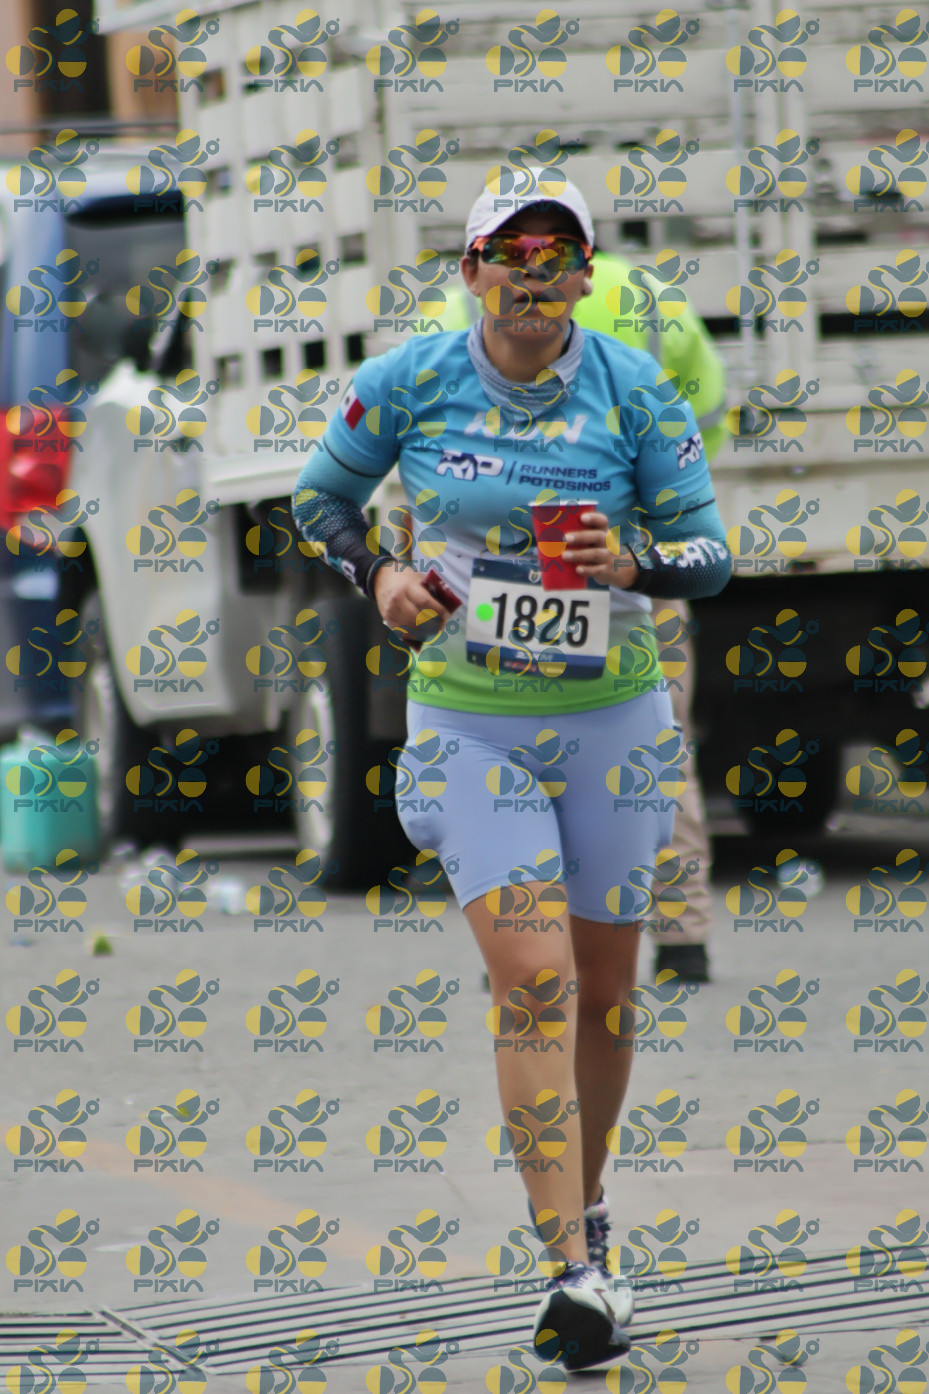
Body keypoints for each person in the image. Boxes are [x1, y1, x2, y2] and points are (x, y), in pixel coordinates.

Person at [292, 174, 731, 1371]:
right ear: (471, 269)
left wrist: (630, 561)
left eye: (556, 253)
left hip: (611, 722)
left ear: (584, 273)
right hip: (469, 723)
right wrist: (380, 574)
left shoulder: (633, 388)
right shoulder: (409, 380)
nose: (532, 274)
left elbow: (708, 552)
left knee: (604, 990)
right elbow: (320, 499)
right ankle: (570, 1267)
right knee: (533, 975)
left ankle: (586, 1210)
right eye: (509, 252)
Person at [428, 251, 728, 983]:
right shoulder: (649, 297)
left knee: (512, 747)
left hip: (510, 561)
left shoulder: (465, 299)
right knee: (654, 746)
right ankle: (681, 937)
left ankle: (525, 930)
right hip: (626, 555)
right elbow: (706, 413)